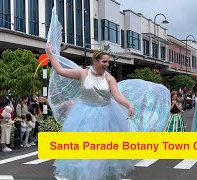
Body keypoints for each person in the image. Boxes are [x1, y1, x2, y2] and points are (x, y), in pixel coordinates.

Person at [46, 8, 170, 180]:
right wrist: (51, 54)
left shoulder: (109, 78)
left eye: (108, 62)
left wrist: (127, 104)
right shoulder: (83, 73)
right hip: (84, 114)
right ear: (95, 61)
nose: (106, 64)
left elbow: (117, 95)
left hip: (106, 114)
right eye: (104, 62)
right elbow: (59, 69)